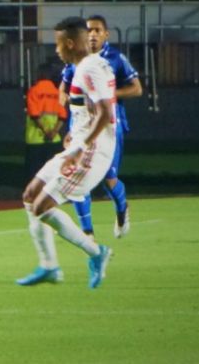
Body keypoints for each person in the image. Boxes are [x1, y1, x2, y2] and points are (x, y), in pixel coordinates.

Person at [17, 17, 114, 289]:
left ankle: (97, 253)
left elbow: (105, 113)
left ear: (70, 43)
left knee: (42, 206)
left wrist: (80, 147)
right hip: (80, 145)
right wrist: (77, 131)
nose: (56, 50)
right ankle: (49, 266)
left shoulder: (89, 69)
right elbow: (93, 110)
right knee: (30, 195)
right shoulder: (87, 67)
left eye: (58, 44)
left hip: (90, 152)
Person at [58, 15, 141, 239]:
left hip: (110, 128)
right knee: (76, 177)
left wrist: (108, 96)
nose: (92, 34)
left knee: (108, 179)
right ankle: (87, 232)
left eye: (97, 30)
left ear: (106, 34)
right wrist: (69, 124)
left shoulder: (114, 59)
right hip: (81, 128)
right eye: (89, 30)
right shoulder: (75, 62)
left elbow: (137, 89)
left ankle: (122, 208)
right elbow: (64, 90)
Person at [24, 77, 67, 176]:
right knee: (53, 173)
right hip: (54, 139)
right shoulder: (58, 93)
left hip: (35, 139)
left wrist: (45, 131)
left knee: (34, 173)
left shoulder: (33, 91)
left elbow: (34, 115)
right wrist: (54, 132)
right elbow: (63, 116)